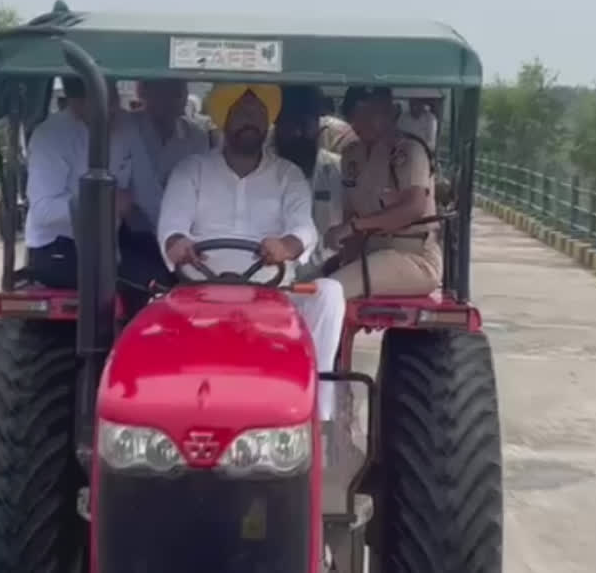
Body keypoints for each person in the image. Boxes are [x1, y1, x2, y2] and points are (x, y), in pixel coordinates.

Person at [158, 83, 344, 420]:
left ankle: (319, 413)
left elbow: (304, 228)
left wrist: (286, 245)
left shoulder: (288, 175)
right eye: (241, 114)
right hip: (200, 295)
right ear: (223, 119)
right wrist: (177, 243)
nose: (250, 121)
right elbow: (171, 225)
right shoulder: (192, 169)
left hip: (273, 293)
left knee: (330, 293)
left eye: (258, 115)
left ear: (268, 122)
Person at [323, 86, 442, 298]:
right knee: (310, 283)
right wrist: (345, 251)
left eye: (371, 113)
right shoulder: (351, 154)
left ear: (391, 111)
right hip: (369, 251)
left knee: (328, 291)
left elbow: (413, 208)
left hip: (412, 256)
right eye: (356, 115)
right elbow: (350, 212)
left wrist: (354, 226)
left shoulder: (409, 150)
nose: (361, 121)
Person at [23, 76, 135, 288]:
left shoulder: (123, 126)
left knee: (161, 266)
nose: (113, 110)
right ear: (76, 101)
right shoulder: (50, 137)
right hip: (59, 248)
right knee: (141, 281)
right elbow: (43, 211)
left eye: (114, 99)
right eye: (105, 102)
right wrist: (105, 205)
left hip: (109, 242)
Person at [119, 79, 214, 309]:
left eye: (180, 90)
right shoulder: (123, 130)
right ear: (144, 93)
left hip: (185, 238)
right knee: (150, 287)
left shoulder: (196, 138)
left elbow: (205, 190)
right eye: (168, 89)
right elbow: (120, 193)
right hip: (134, 238)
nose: (177, 97)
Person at [272, 85, 344, 280]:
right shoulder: (261, 170)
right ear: (277, 124)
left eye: (305, 124)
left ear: (317, 123)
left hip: (327, 271)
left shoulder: (337, 169)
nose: (298, 132)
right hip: (270, 270)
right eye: (290, 123)